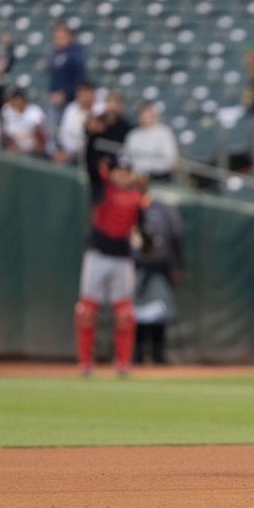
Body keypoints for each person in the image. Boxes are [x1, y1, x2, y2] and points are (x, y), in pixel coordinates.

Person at [75, 155, 149, 376]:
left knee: (124, 313)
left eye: (127, 172)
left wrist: (147, 241)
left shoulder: (137, 199)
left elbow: (143, 231)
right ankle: (86, 363)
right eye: (119, 171)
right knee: (86, 311)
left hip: (122, 258)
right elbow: (90, 163)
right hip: (97, 255)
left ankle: (123, 363)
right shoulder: (102, 188)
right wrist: (93, 136)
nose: (123, 176)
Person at [132, 175, 184, 365]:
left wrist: (177, 265)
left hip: (158, 268)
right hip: (136, 268)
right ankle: (136, 354)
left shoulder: (162, 208)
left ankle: (158, 354)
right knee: (135, 313)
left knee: (159, 314)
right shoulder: (129, 205)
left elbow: (176, 236)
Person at [47, 22, 87, 148]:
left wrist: (65, 93)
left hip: (70, 101)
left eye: (62, 37)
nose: (58, 40)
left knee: (66, 135)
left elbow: (80, 79)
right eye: (56, 37)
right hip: (56, 100)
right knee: (54, 133)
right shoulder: (55, 53)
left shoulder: (75, 54)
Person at [123, 102, 178, 181]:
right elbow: (126, 156)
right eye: (144, 115)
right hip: (136, 178)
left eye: (149, 115)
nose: (146, 118)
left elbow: (170, 160)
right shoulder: (133, 135)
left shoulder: (164, 132)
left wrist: (148, 172)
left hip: (158, 177)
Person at [84, 90, 132, 175]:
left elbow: (124, 152)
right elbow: (88, 139)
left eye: (117, 102)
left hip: (115, 170)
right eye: (110, 101)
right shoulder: (97, 121)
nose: (113, 106)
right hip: (93, 167)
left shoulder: (126, 127)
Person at [55, 81, 99, 165]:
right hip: (67, 151)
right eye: (80, 93)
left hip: (88, 154)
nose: (83, 97)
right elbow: (63, 132)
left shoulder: (99, 110)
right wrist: (62, 149)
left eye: (86, 93)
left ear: (93, 94)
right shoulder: (71, 108)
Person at [1, 89, 47, 157]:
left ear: (24, 100)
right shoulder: (8, 110)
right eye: (14, 99)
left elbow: (40, 131)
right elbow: (6, 132)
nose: (17, 102)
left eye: (19, 99)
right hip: (13, 148)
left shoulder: (35, 111)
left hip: (32, 152)